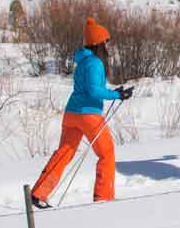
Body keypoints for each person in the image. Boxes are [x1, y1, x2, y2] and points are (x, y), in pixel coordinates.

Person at [29, 16, 134, 209]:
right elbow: (94, 91)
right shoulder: (95, 63)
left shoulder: (83, 62)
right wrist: (117, 95)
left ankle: (38, 193)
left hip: (72, 113)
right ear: (99, 43)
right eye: (105, 42)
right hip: (88, 114)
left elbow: (91, 87)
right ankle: (104, 197)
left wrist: (115, 92)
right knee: (107, 153)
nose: (107, 45)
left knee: (64, 153)